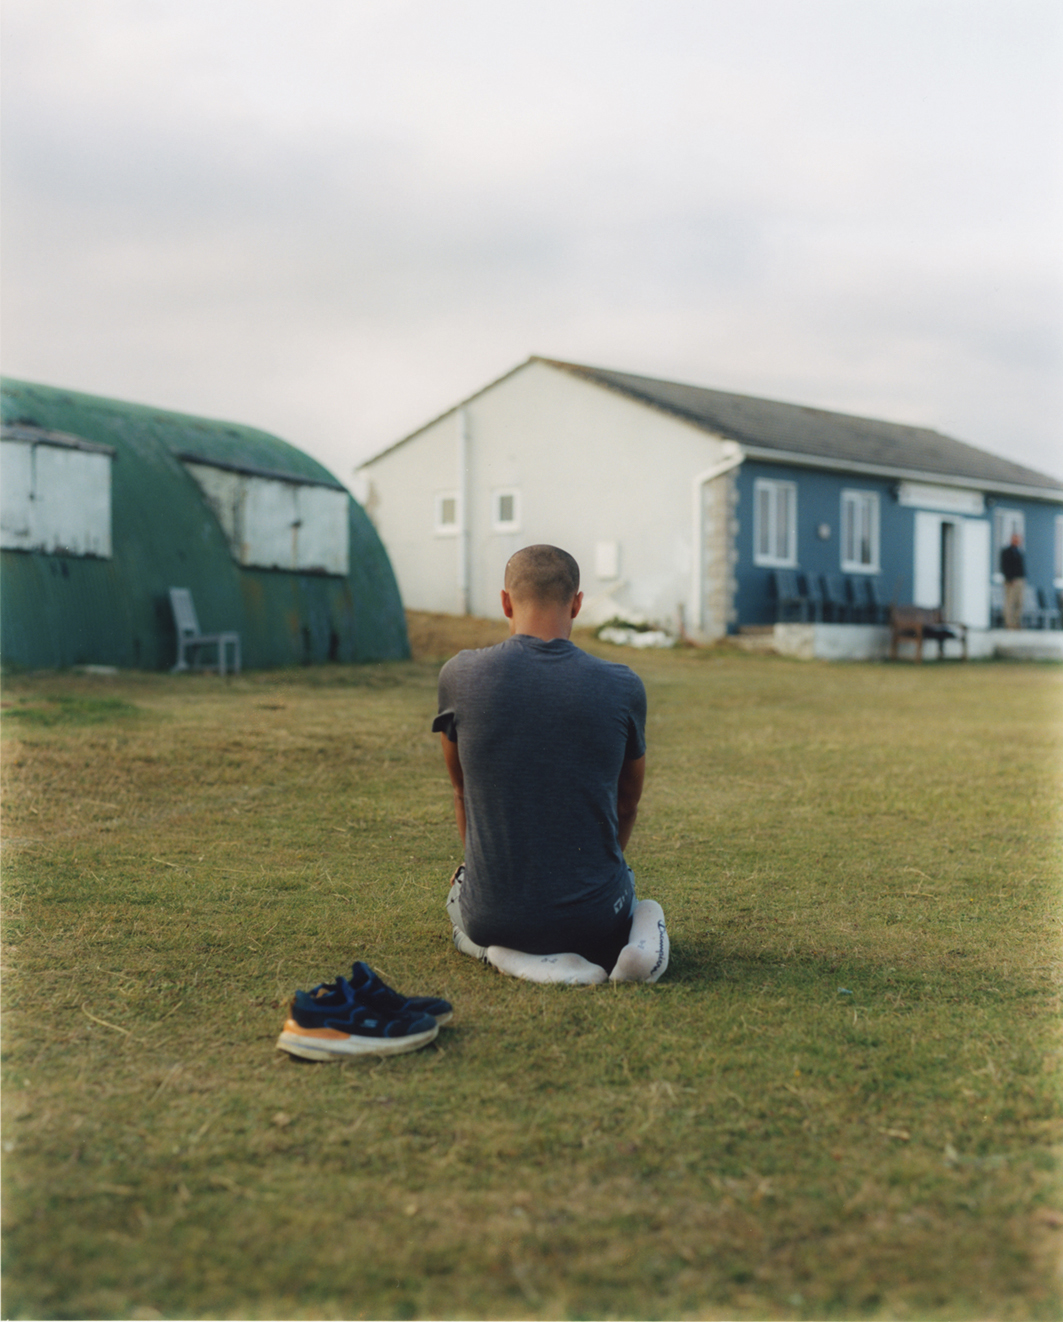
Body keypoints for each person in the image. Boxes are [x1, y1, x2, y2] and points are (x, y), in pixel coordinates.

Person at [432, 544, 668, 986]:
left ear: (504, 601)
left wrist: (475, 866)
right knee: (635, 891)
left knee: (457, 903)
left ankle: (504, 956)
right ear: (577, 603)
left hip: (490, 916)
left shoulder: (460, 675)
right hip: (595, 922)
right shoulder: (622, 685)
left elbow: (461, 790)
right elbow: (628, 802)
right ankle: (639, 941)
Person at [1001, 532, 1025, 630]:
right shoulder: (1006, 552)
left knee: (1019, 602)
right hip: (1011, 580)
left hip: (1020, 580)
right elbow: (1004, 566)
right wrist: (1010, 578)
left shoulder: (1019, 552)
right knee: (1009, 602)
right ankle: (1009, 623)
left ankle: (1016, 622)